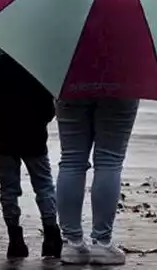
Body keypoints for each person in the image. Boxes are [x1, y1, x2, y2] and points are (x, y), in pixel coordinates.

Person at [0, 53, 61, 259]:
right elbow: (48, 110)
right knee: (44, 186)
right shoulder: (39, 66)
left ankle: (15, 239)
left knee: (9, 190)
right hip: (34, 137)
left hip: (5, 136)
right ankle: (51, 235)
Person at [56, 97, 140, 265]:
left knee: (71, 160)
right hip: (120, 84)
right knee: (109, 160)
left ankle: (72, 243)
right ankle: (102, 243)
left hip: (72, 84)